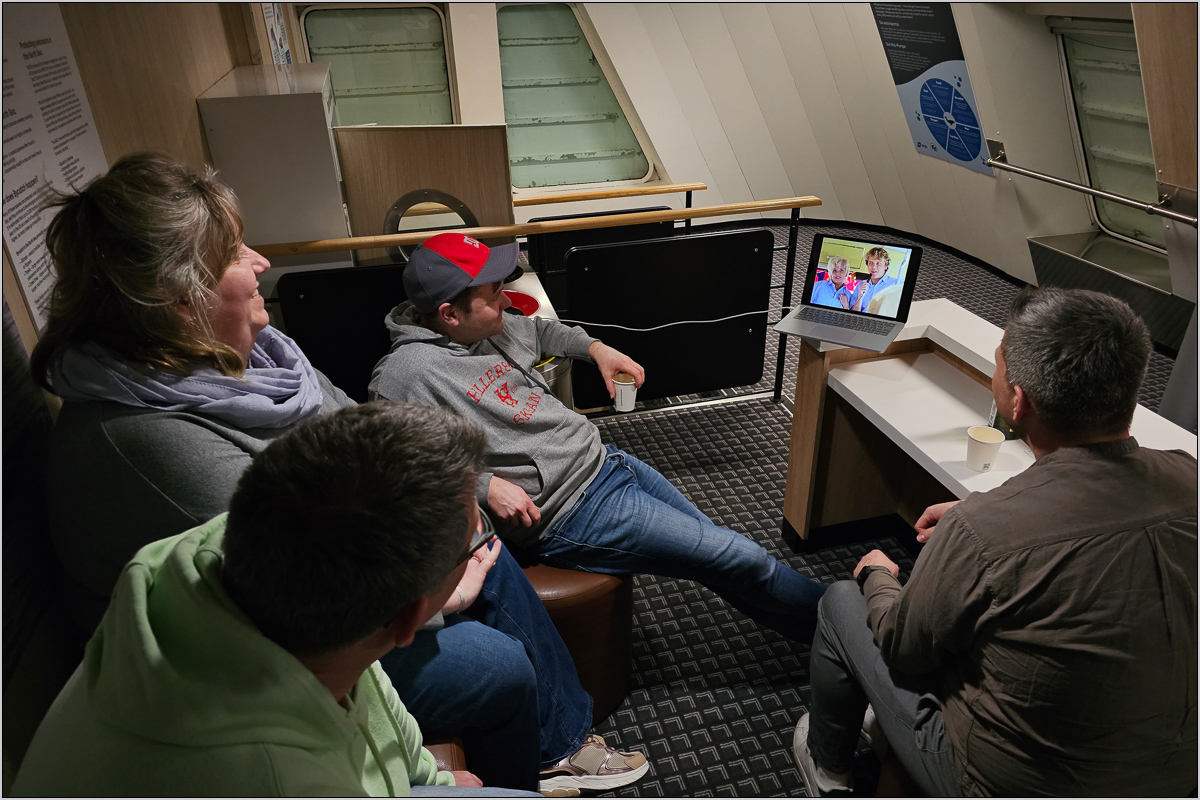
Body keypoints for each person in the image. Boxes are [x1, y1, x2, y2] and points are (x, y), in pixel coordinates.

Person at [27, 153, 645, 794]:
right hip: (262, 658)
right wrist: (434, 598)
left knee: (479, 537)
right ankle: (544, 752)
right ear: (178, 299)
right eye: (234, 254)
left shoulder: (262, 355)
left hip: (338, 581)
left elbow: (364, 428)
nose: (260, 262)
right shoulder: (143, 441)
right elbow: (298, 592)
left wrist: (463, 508)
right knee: (498, 665)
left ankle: (558, 741)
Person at [13, 403, 545, 795]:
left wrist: (435, 783)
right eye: (473, 542)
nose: (480, 542)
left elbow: (375, 705)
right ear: (407, 618)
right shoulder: (271, 780)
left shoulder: (292, 595)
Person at [791, 287, 1197, 797]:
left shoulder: (982, 529)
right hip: (1174, 776)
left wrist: (878, 576)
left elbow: (902, 646)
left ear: (1018, 401)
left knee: (842, 602)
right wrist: (980, 516)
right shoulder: (1189, 474)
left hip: (1004, 783)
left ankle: (826, 769)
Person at [369, 233, 828, 643]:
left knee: (728, 557)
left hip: (606, 462)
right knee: (741, 557)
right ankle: (852, 627)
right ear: (449, 314)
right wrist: (485, 487)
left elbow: (542, 330)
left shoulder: (486, 325)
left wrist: (597, 349)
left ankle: (828, 644)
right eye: (493, 296)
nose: (506, 301)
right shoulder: (405, 377)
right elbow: (398, 469)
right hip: (570, 511)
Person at [849, 247, 897, 312]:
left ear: (886, 266)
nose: (874, 267)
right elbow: (853, 313)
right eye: (871, 263)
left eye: (878, 263)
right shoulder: (860, 286)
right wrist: (860, 296)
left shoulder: (896, 284)